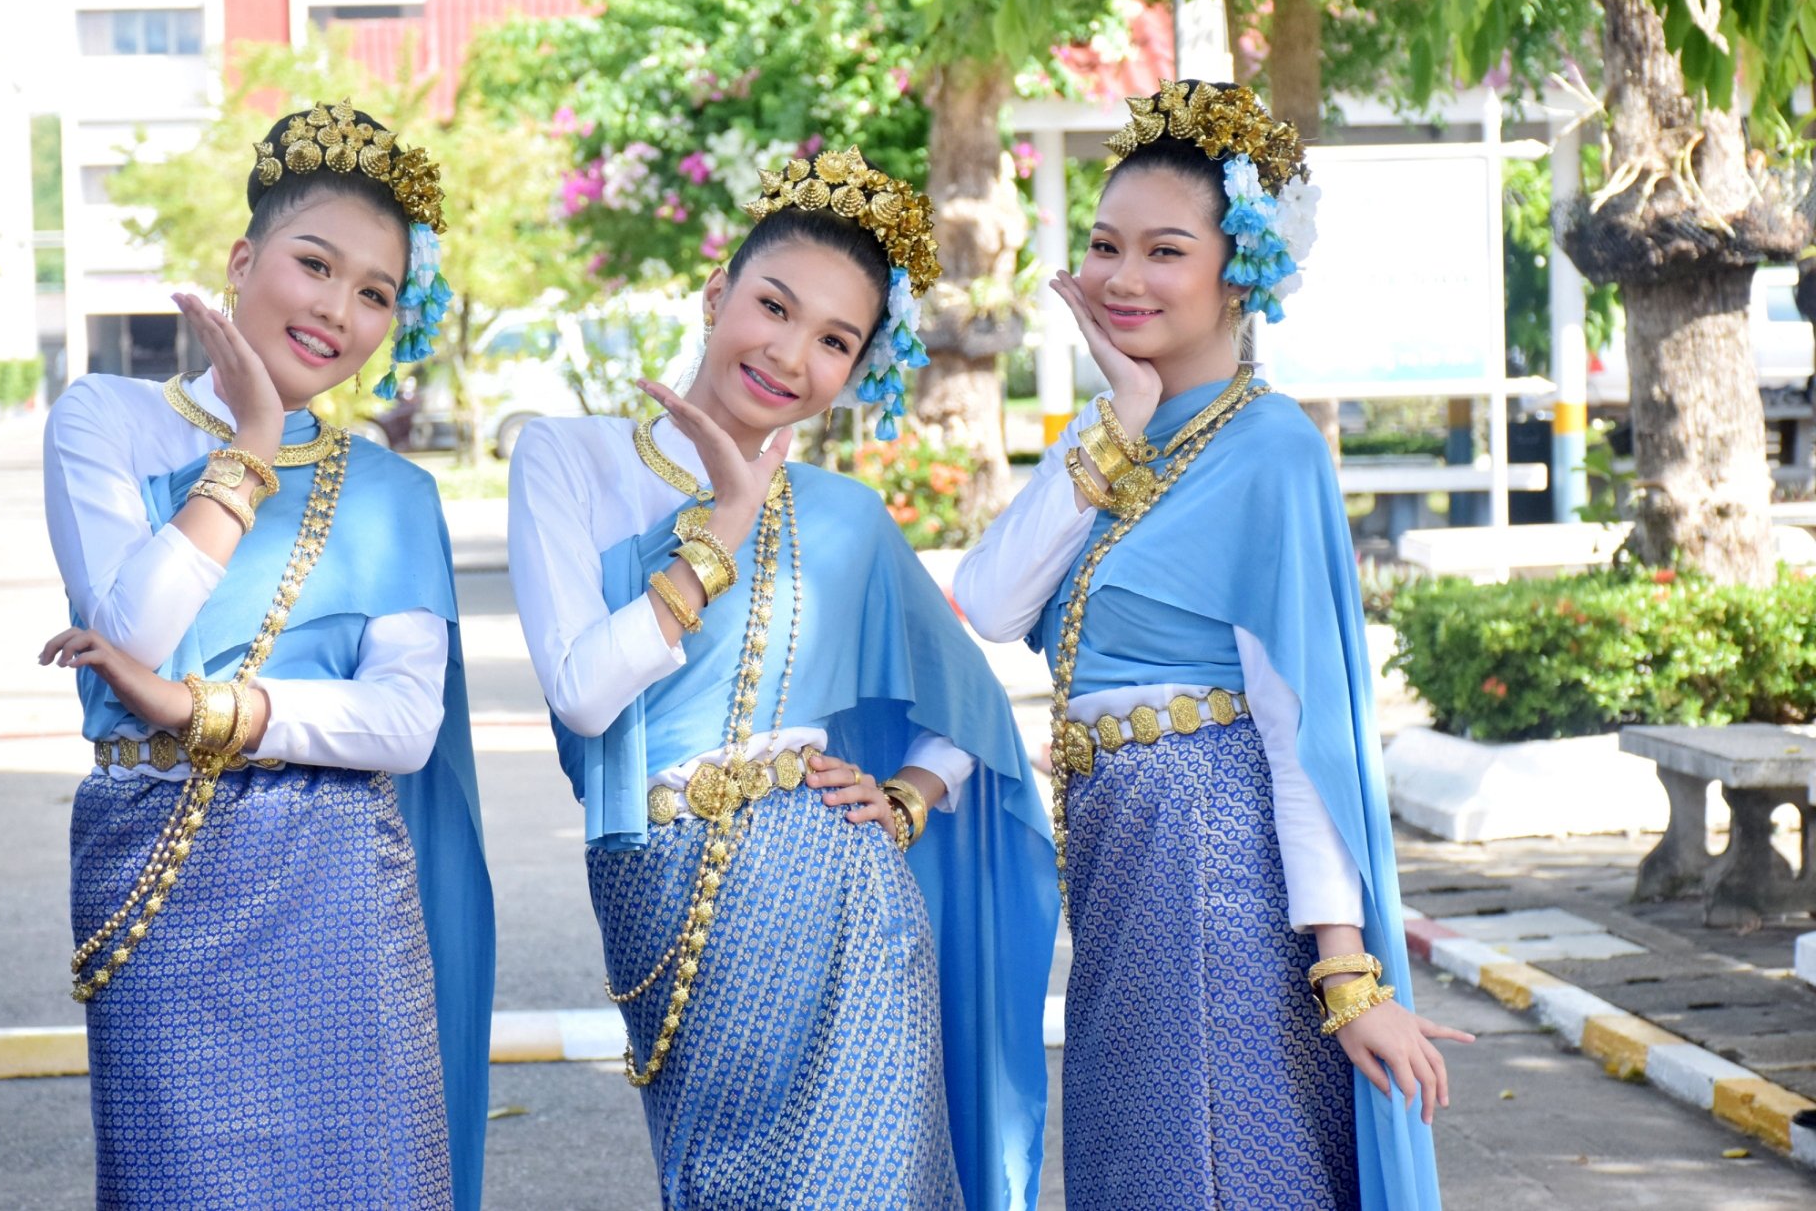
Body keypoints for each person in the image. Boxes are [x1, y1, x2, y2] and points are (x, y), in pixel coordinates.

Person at [953, 81, 1473, 1211]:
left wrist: (1345, 972)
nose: (1120, 277)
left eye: (1162, 250)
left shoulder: (1272, 450)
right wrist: (1117, 413)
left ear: (1240, 268)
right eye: (1101, 245)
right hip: (1122, 865)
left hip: (1214, 867)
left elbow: (1302, 734)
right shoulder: (1112, 440)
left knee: (1212, 1167)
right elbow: (988, 603)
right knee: (1140, 1165)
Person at [508, 147, 1060, 1210]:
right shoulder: (566, 458)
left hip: (851, 905)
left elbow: (972, 707)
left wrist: (907, 797)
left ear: (855, 370)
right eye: (773, 305)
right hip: (662, 888)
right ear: (717, 292)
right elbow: (582, 692)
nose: (790, 353)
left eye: (834, 340)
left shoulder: (845, 519)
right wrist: (720, 528)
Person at [39, 99, 492, 1208]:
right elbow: (131, 630)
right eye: (315, 264)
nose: (338, 310)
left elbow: (401, 722)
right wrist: (249, 446)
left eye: (375, 293)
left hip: (337, 880)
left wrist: (208, 712)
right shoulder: (106, 420)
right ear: (245, 258)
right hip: (159, 873)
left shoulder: (393, 492)